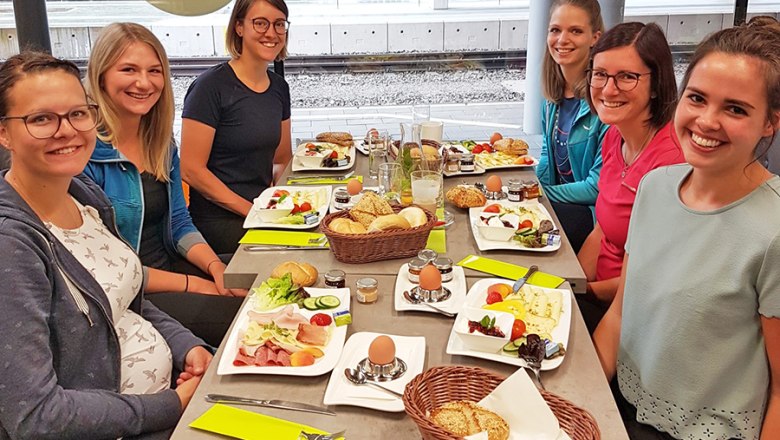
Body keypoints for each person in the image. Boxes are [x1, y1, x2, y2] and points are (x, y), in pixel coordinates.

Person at [0, 51, 211, 439]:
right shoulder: (12, 245)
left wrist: (188, 345)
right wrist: (171, 406)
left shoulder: (84, 194)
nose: (67, 130)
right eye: (41, 119)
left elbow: (125, 301)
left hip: (168, 396)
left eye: (78, 114)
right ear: (4, 133)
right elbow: (35, 415)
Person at [594, 17, 780, 439]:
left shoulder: (773, 232)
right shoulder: (655, 187)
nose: (707, 121)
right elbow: (621, 313)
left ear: (770, 122)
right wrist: (577, 395)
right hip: (625, 407)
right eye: (697, 98)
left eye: (735, 108)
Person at [83, 23, 246, 347]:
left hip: (169, 265)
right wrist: (194, 284)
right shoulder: (85, 154)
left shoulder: (158, 142)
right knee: (248, 313)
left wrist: (214, 266)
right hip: (131, 292)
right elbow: (103, 267)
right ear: (101, 75)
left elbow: (179, 223)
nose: (144, 82)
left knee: (267, 278)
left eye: (154, 71)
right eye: (129, 69)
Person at [576, 22, 684, 331]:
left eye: (627, 77)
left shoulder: (670, 163)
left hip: (632, 315)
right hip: (597, 294)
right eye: (600, 74)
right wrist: (571, 283)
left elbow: (655, 278)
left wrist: (586, 293)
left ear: (656, 83)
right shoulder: (614, 135)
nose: (609, 89)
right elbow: (601, 232)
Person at [180, 0, 292, 254]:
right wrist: (253, 212)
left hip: (262, 212)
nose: (271, 33)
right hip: (220, 222)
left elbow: (281, 158)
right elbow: (191, 170)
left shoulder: (278, 87)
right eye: (260, 23)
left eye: (279, 24)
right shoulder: (209, 87)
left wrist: (282, 201)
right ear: (239, 27)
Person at [536, 0, 608, 254]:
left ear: (594, 38)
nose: (562, 39)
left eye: (575, 31)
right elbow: (547, 155)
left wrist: (539, 195)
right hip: (560, 203)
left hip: (592, 217)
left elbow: (595, 187)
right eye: (555, 30)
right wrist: (529, 186)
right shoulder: (552, 97)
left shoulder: (605, 100)